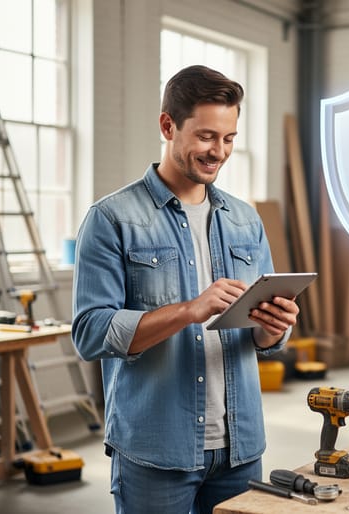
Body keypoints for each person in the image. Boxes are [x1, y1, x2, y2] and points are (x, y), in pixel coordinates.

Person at [71, 64, 299, 514]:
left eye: (229, 138)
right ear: (167, 125)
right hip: (157, 451)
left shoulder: (244, 220)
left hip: (239, 447)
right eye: (206, 136)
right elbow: (91, 333)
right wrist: (189, 311)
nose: (219, 151)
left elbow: (262, 338)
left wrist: (274, 328)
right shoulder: (112, 219)